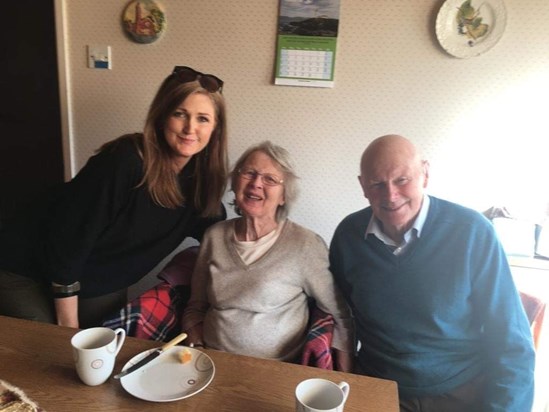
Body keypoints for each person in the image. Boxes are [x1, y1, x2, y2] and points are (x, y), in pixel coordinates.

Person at [0, 66, 228, 329]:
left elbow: (221, 236)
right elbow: (68, 245)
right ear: (162, 116)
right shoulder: (124, 162)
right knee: (49, 349)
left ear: (215, 128)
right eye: (180, 114)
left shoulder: (199, 183)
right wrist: (68, 328)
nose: (190, 128)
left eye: (202, 119)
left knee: (106, 348)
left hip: (96, 278)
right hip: (25, 268)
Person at [329, 134, 535, 411]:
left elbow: (513, 341)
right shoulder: (348, 236)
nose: (390, 195)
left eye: (402, 180)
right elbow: (342, 317)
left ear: (425, 174)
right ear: (363, 186)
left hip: (459, 390)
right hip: (378, 385)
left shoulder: (472, 232)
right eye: (377, 184)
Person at [181, 141, 355, 371]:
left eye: (270, 179)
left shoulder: (305, 245)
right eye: (249, 173)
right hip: (212, 362)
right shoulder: (214, 236)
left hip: (277, 370)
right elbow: (195, 307)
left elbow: (340, 313)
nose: (256, 184)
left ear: (284, 195)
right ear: (235, 182)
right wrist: (197, 347)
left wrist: (348, 375)